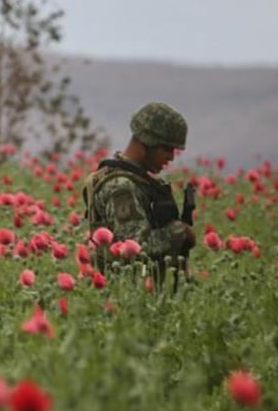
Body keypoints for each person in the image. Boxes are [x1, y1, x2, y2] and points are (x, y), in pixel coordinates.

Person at [81, 102, 195, 283]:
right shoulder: (121, 186)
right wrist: (180, 232)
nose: (171, 157)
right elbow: (135, 247)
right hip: (123, 294)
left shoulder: (137, 182)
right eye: (166, 148)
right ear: (146, 143)